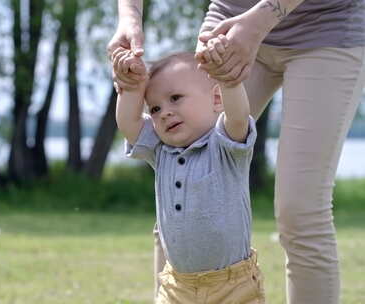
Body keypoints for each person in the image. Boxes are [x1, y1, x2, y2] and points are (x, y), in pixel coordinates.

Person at [108, 1, 365, 303]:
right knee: (184, 186)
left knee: (300, 212)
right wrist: (129, 19)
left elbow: (236, 121)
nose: (163, 113)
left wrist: (260, 20)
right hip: (227, 27)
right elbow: (131, 123)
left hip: (325, 27)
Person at [113, 35, 265, 303]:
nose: (164, 113)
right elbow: (129, 123)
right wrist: (131, 89)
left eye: (175, 98)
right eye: (156, 108)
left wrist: (228, 79)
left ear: (216, 100)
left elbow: (239, 115)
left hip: (232, 285)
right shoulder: (161, 151)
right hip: (178, 286)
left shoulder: (225, 146)